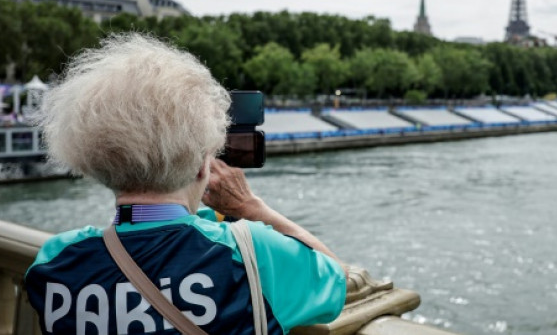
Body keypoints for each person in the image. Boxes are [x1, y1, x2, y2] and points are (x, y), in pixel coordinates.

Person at [24, 34, 346, 334]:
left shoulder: (55, 262)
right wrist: (250, 207)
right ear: (202, 164)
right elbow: (336, 278)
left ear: (94, 164)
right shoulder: (252, 252)